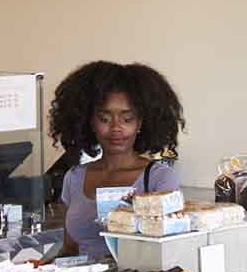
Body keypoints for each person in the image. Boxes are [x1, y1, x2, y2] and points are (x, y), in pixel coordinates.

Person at [49, 60, 186, 259]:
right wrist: (38, 268)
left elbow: (168, 251)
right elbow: (70, 250)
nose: (116, 128)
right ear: (90, 123)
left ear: (140, 123)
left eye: (127, 119)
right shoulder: (75, 177)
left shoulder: (159, 178)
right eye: (104, 119)